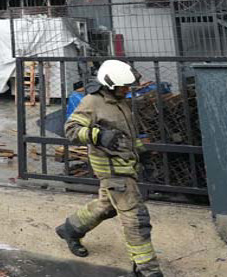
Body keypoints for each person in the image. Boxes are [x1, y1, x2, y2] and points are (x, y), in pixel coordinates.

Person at [56, 60, 161, 277]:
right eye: (123, 86)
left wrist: (143, 153)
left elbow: (127, 136)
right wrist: (98, 135)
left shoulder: (120, 102)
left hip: (125, 166)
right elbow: (71, 129)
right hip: (113, 172)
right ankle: (147, 269)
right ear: (109, 85)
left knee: (107, 206)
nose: (126, 89)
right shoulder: (92, 102)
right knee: (136, 219)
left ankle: (70, 229)